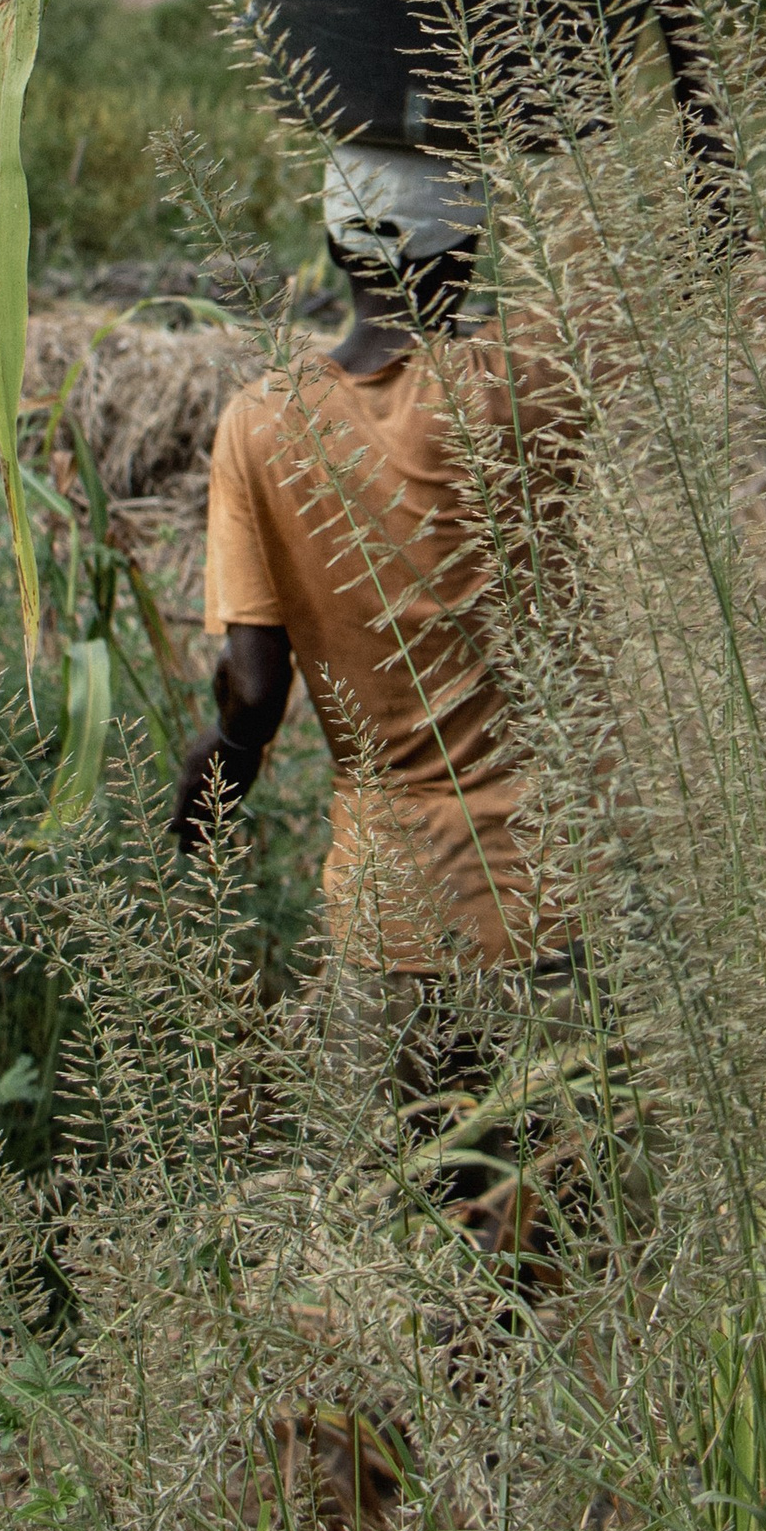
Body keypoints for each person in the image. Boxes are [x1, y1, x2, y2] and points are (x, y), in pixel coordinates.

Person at [172, 145, 562, 984]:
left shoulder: (262, 422)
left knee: (396, 1121)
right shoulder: (519, 382)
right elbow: (703, 256)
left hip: (390, 922)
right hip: (556, 905)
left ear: (335, 244)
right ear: (468, 243)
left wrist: (209, 783)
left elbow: (253, 691)